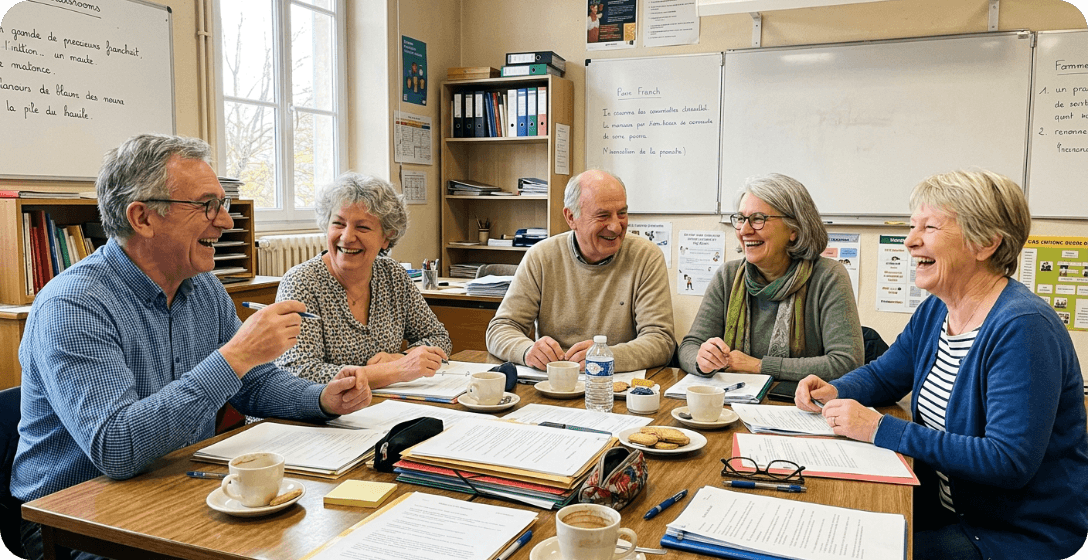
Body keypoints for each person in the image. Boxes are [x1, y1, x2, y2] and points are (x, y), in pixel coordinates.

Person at [12, 134, 373, 560]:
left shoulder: (202, 288)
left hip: (178, 483)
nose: (226, 222)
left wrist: (322, 398)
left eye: (222, 204)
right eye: (207, 205)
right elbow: (116, 448)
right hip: (74, 518)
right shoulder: (73, 306)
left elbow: (252, 384)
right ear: (143, 218)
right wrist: (235, 355)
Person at [796, 170, 1088, 560]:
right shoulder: (937, 309)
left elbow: (1007, 461)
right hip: (945, 508)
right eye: (912, 226)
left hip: (1009, 532)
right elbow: (885, 374)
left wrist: (881, 428)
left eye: (929, 227)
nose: (910, 241)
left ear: (986, 243)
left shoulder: (1023, 327)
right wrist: (836, 389)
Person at [485, 169, 675, 372]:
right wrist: (527, 351)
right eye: (603, 215)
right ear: (571, 217)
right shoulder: (541, 257)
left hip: (614, 385)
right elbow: (500, 329)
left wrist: (606, 357)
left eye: (622, 213)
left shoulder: (646, 257)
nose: (616, 227)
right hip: (555, 381)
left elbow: (661, 340)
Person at [678, 173, 862, 381]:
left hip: (800, 407)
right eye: (740, 219)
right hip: (732, 403)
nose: (744, 230)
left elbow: (846, 363)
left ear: (794, 228)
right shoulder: (727, 276)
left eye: (758, 219)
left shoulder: (828, 277)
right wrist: (703, 360)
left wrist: (758, 366)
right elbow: (689, 347)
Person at [274, 172, 451, 387]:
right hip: (311, 416)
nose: (347, 237)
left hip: (374, 406)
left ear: (387, 237)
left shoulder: (392, 275)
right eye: (338, 223)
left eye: (363, 227)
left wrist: (401, 357)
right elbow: (299, 372)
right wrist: (392, 370)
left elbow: (438, 337)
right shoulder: (301, 282)